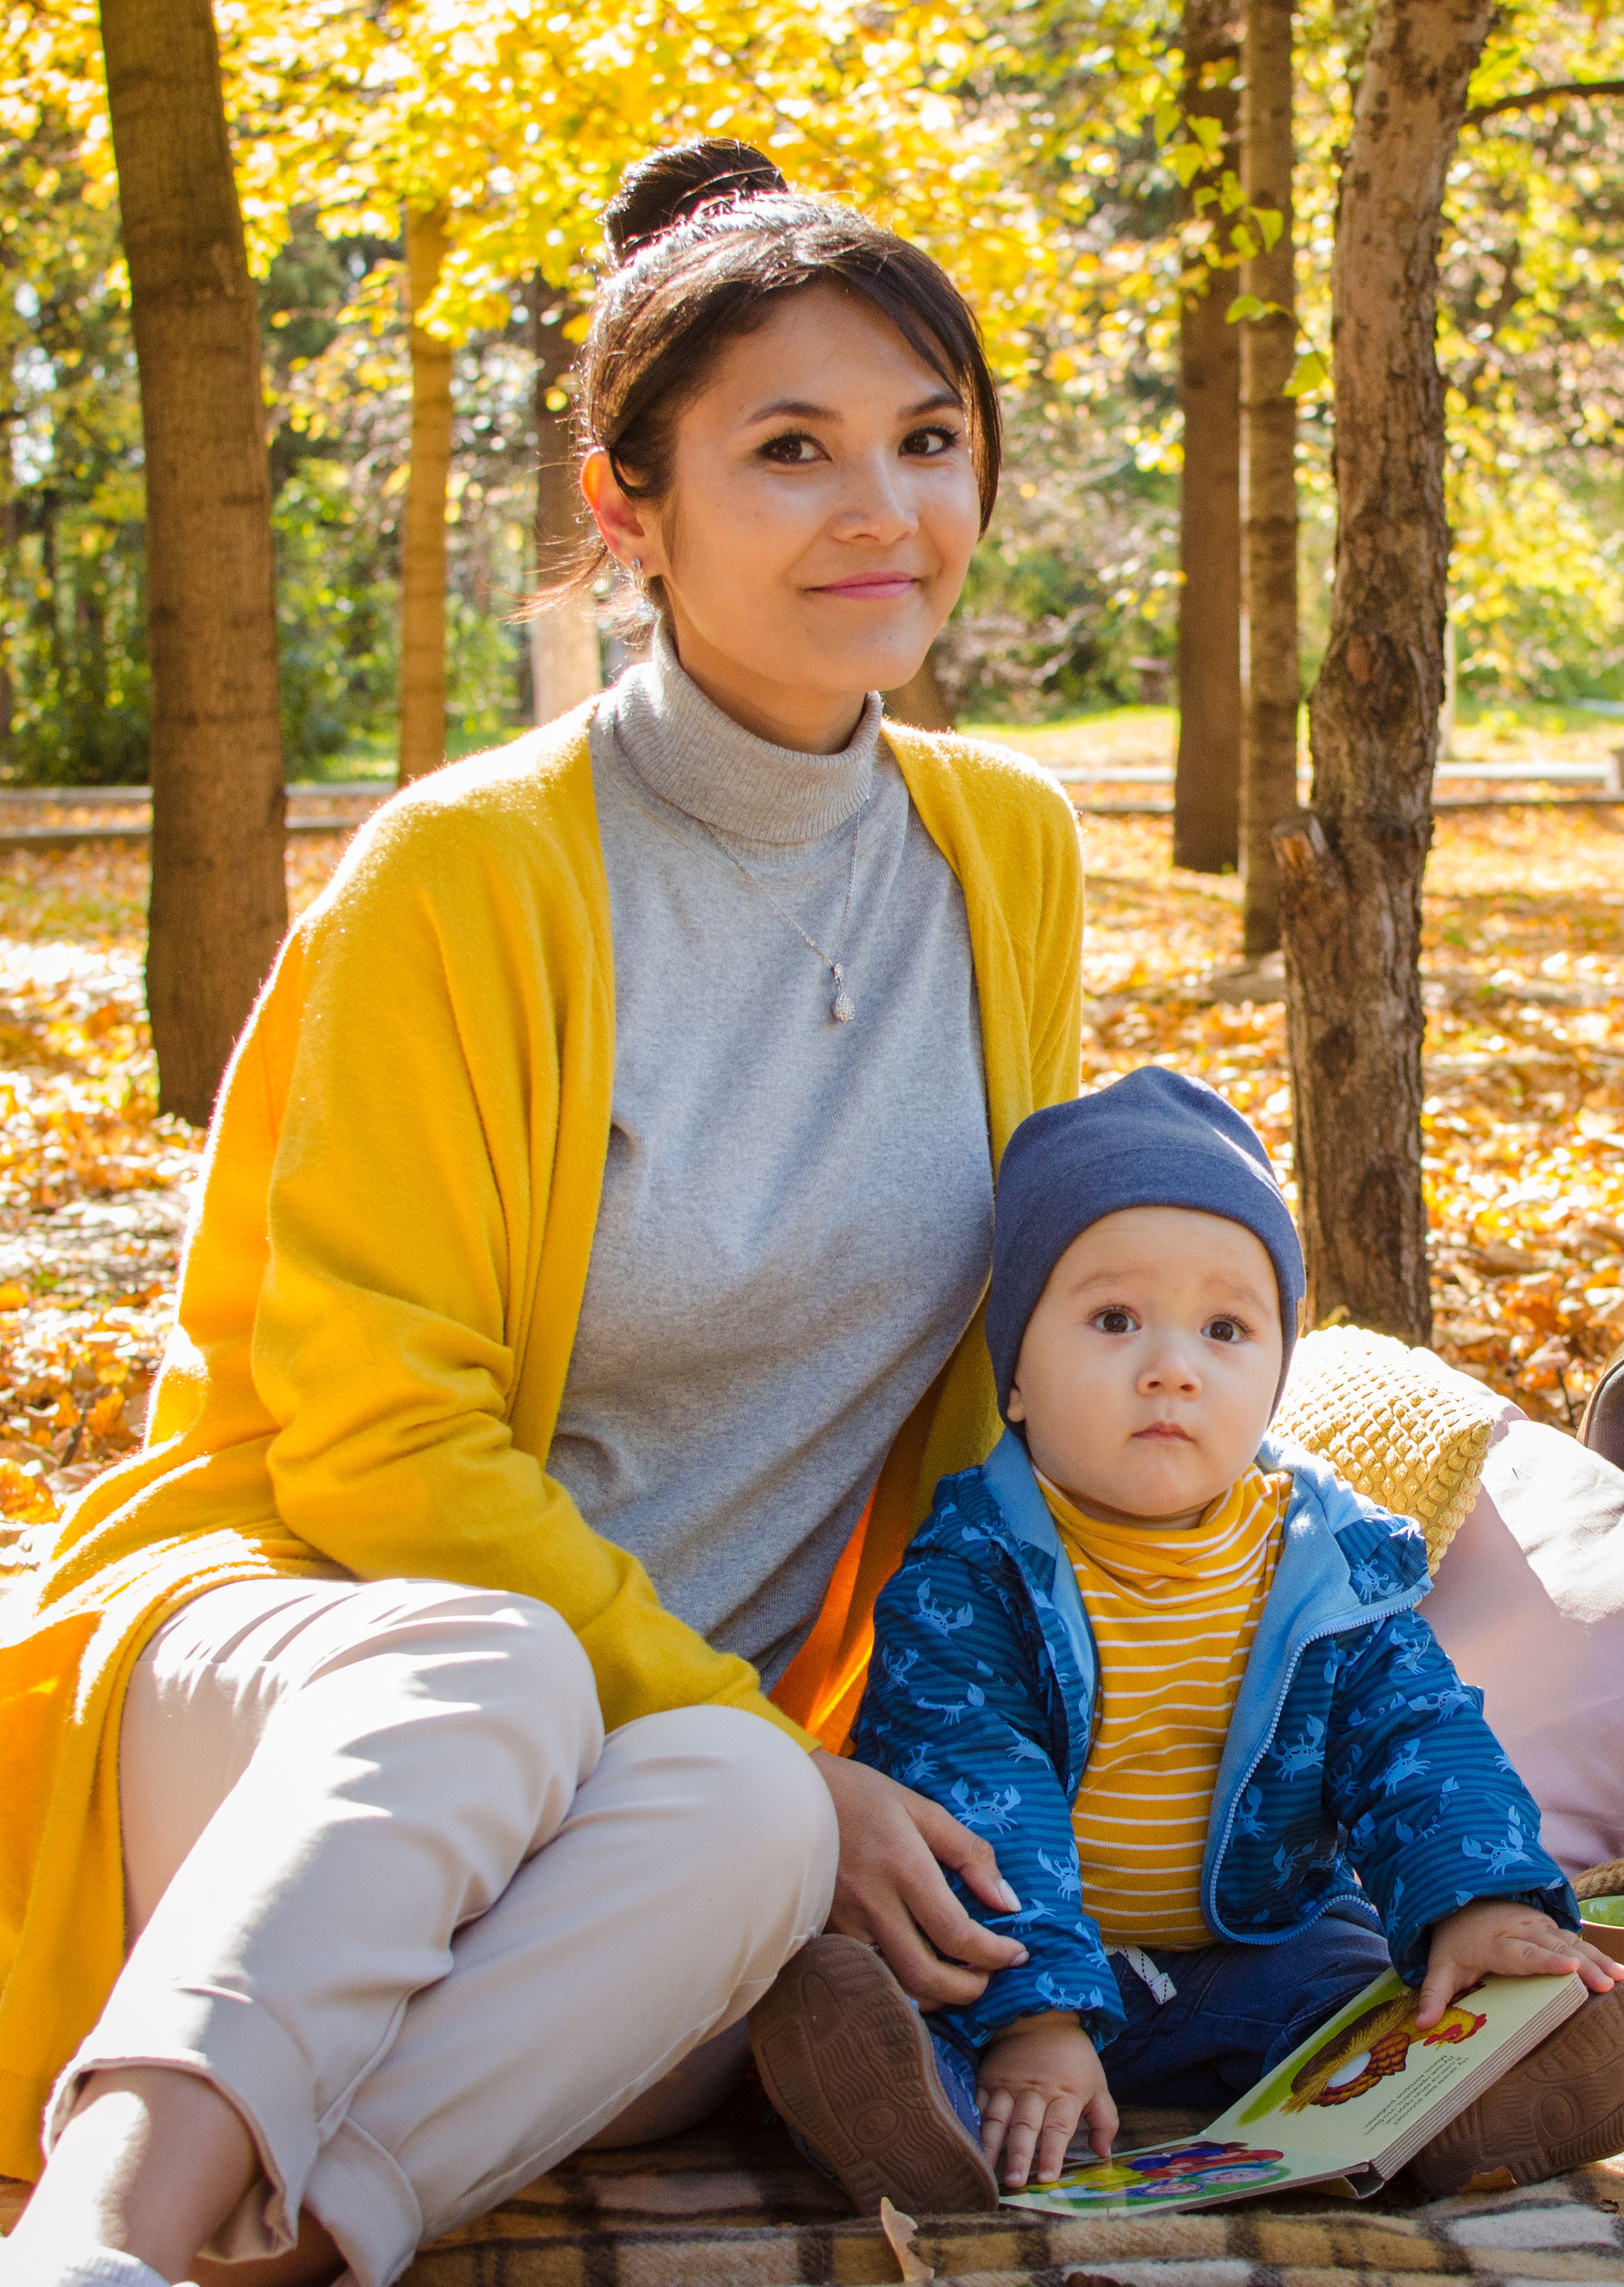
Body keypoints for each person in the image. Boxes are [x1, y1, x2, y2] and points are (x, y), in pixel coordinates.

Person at [0, 139, 1080, 2287]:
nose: (883, 510)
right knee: (504, 1666)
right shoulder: (469, 865)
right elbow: (373, 1437)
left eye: (927, 440)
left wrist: (914, 1775)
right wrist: (720, 1707)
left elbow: (983, 1403)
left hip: (662, 1792)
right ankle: (93, 2236)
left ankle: (288, 2245)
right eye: (790, 449)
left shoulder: (1004, 851)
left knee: (767, 1821)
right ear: (625, 511)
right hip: (320, 1683)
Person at [750, 1068, 1624, 2204]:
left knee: (1375, 1995)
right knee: (903, 1982)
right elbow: (979, 1789)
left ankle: (1462, 2112)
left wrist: (1477, 1899)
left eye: (1225, 1327)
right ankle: (917, 2125)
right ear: (1014, 1381)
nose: (1170, 1365)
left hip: (1260, 1944)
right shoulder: (973, 1568)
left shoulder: (1327, 1564)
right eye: (1112, 1319)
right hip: (1035, 1948)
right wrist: (1037, 2015)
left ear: (1275, 1374)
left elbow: (1419, 1743)